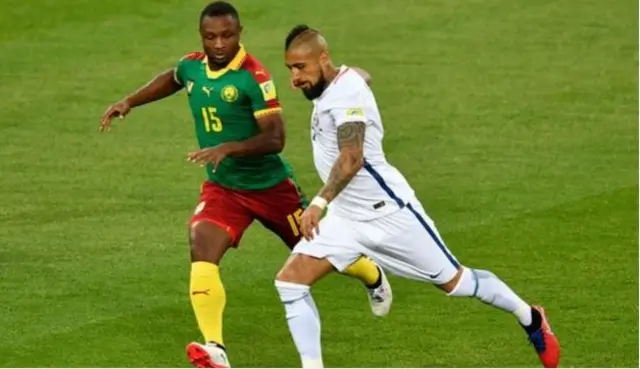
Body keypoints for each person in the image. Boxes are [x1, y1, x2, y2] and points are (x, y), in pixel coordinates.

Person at [98, 3, 391, 368]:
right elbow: (174, 77)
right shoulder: (193, 66)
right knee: (200, 245)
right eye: (210, 36)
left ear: (240, 34)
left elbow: (276, 137)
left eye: (227, 35)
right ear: (201, 37)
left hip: (270, 187)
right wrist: (130, 101)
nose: (219, 43)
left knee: (322, 249)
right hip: (224, 188)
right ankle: (215, 348)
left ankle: (371, 272)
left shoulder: (254, 78)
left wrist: (229, 147)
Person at [274, 24, 561, 369]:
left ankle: (530, 317)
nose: (294, 77)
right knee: (290, 282)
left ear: (323, 59)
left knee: (457, 282)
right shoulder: (338, 83)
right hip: (347, 218)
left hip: (390, 215)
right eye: (290, 68)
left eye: (301, 67)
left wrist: (318, 204)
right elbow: (360, 76)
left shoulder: (344, 95)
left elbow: (352, 158)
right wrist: (356, 78)